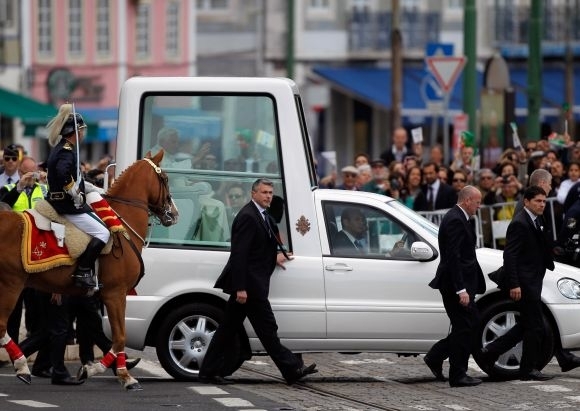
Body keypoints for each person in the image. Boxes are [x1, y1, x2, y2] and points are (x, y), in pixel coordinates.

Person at [199, 178, 317, 385]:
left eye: (270, 192)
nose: (268, 196)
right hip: (249, 288)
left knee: (229, 329)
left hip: (253, 285)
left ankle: (208, 371)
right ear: (253, 194)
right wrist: (240, 288)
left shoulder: (261, 215)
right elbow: (239, 255)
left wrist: (274, 256)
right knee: (267, 329)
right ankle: (291, 368)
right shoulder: (248, 216)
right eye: (264, 192)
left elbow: (256, 250)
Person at [480, 186, 555, 381]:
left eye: (544, 201)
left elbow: (539, 246)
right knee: (535, 325)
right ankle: (527, 369)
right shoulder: (520, 223)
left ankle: (490, 351)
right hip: (523, 282)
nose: (542, 205)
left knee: (527, 324)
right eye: (538, 201)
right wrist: (514, 284)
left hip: (534, 279)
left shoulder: (538, 219)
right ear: (526, 202)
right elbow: (510, 255)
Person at [424, 186, 485, 387]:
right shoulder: (455, 220)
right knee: (465, 327)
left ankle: (436, 356)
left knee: (468, 325)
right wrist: (461, 289)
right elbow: (453, 258)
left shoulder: (461, 218)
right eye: (477, 202)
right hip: (455, 285)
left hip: (463, 283)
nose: (479, 206)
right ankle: (458, 374)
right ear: (467, 201)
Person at [45, 103, 111, 289]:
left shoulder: (62, 147)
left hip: (62, 201)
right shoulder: (67, 150)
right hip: (66, 205)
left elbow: (76, 177)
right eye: (82, 130)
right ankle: (83, 270)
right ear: (76, 131)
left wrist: (93, 190)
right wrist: (74, 193)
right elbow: (62, 172)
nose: (83, 133)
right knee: (103, 232)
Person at [1, 156, 47, 344]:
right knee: (13, 305)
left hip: (38, 250)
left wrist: (47, 180)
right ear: (19, 172)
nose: (31, 176)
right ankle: (8, 344)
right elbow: (2, 205)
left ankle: (29, 342)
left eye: (33, 172)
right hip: (14, 251)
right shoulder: (10, 189)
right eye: (26, 172)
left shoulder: (43, 189)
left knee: (35, 303)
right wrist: (19, 186)